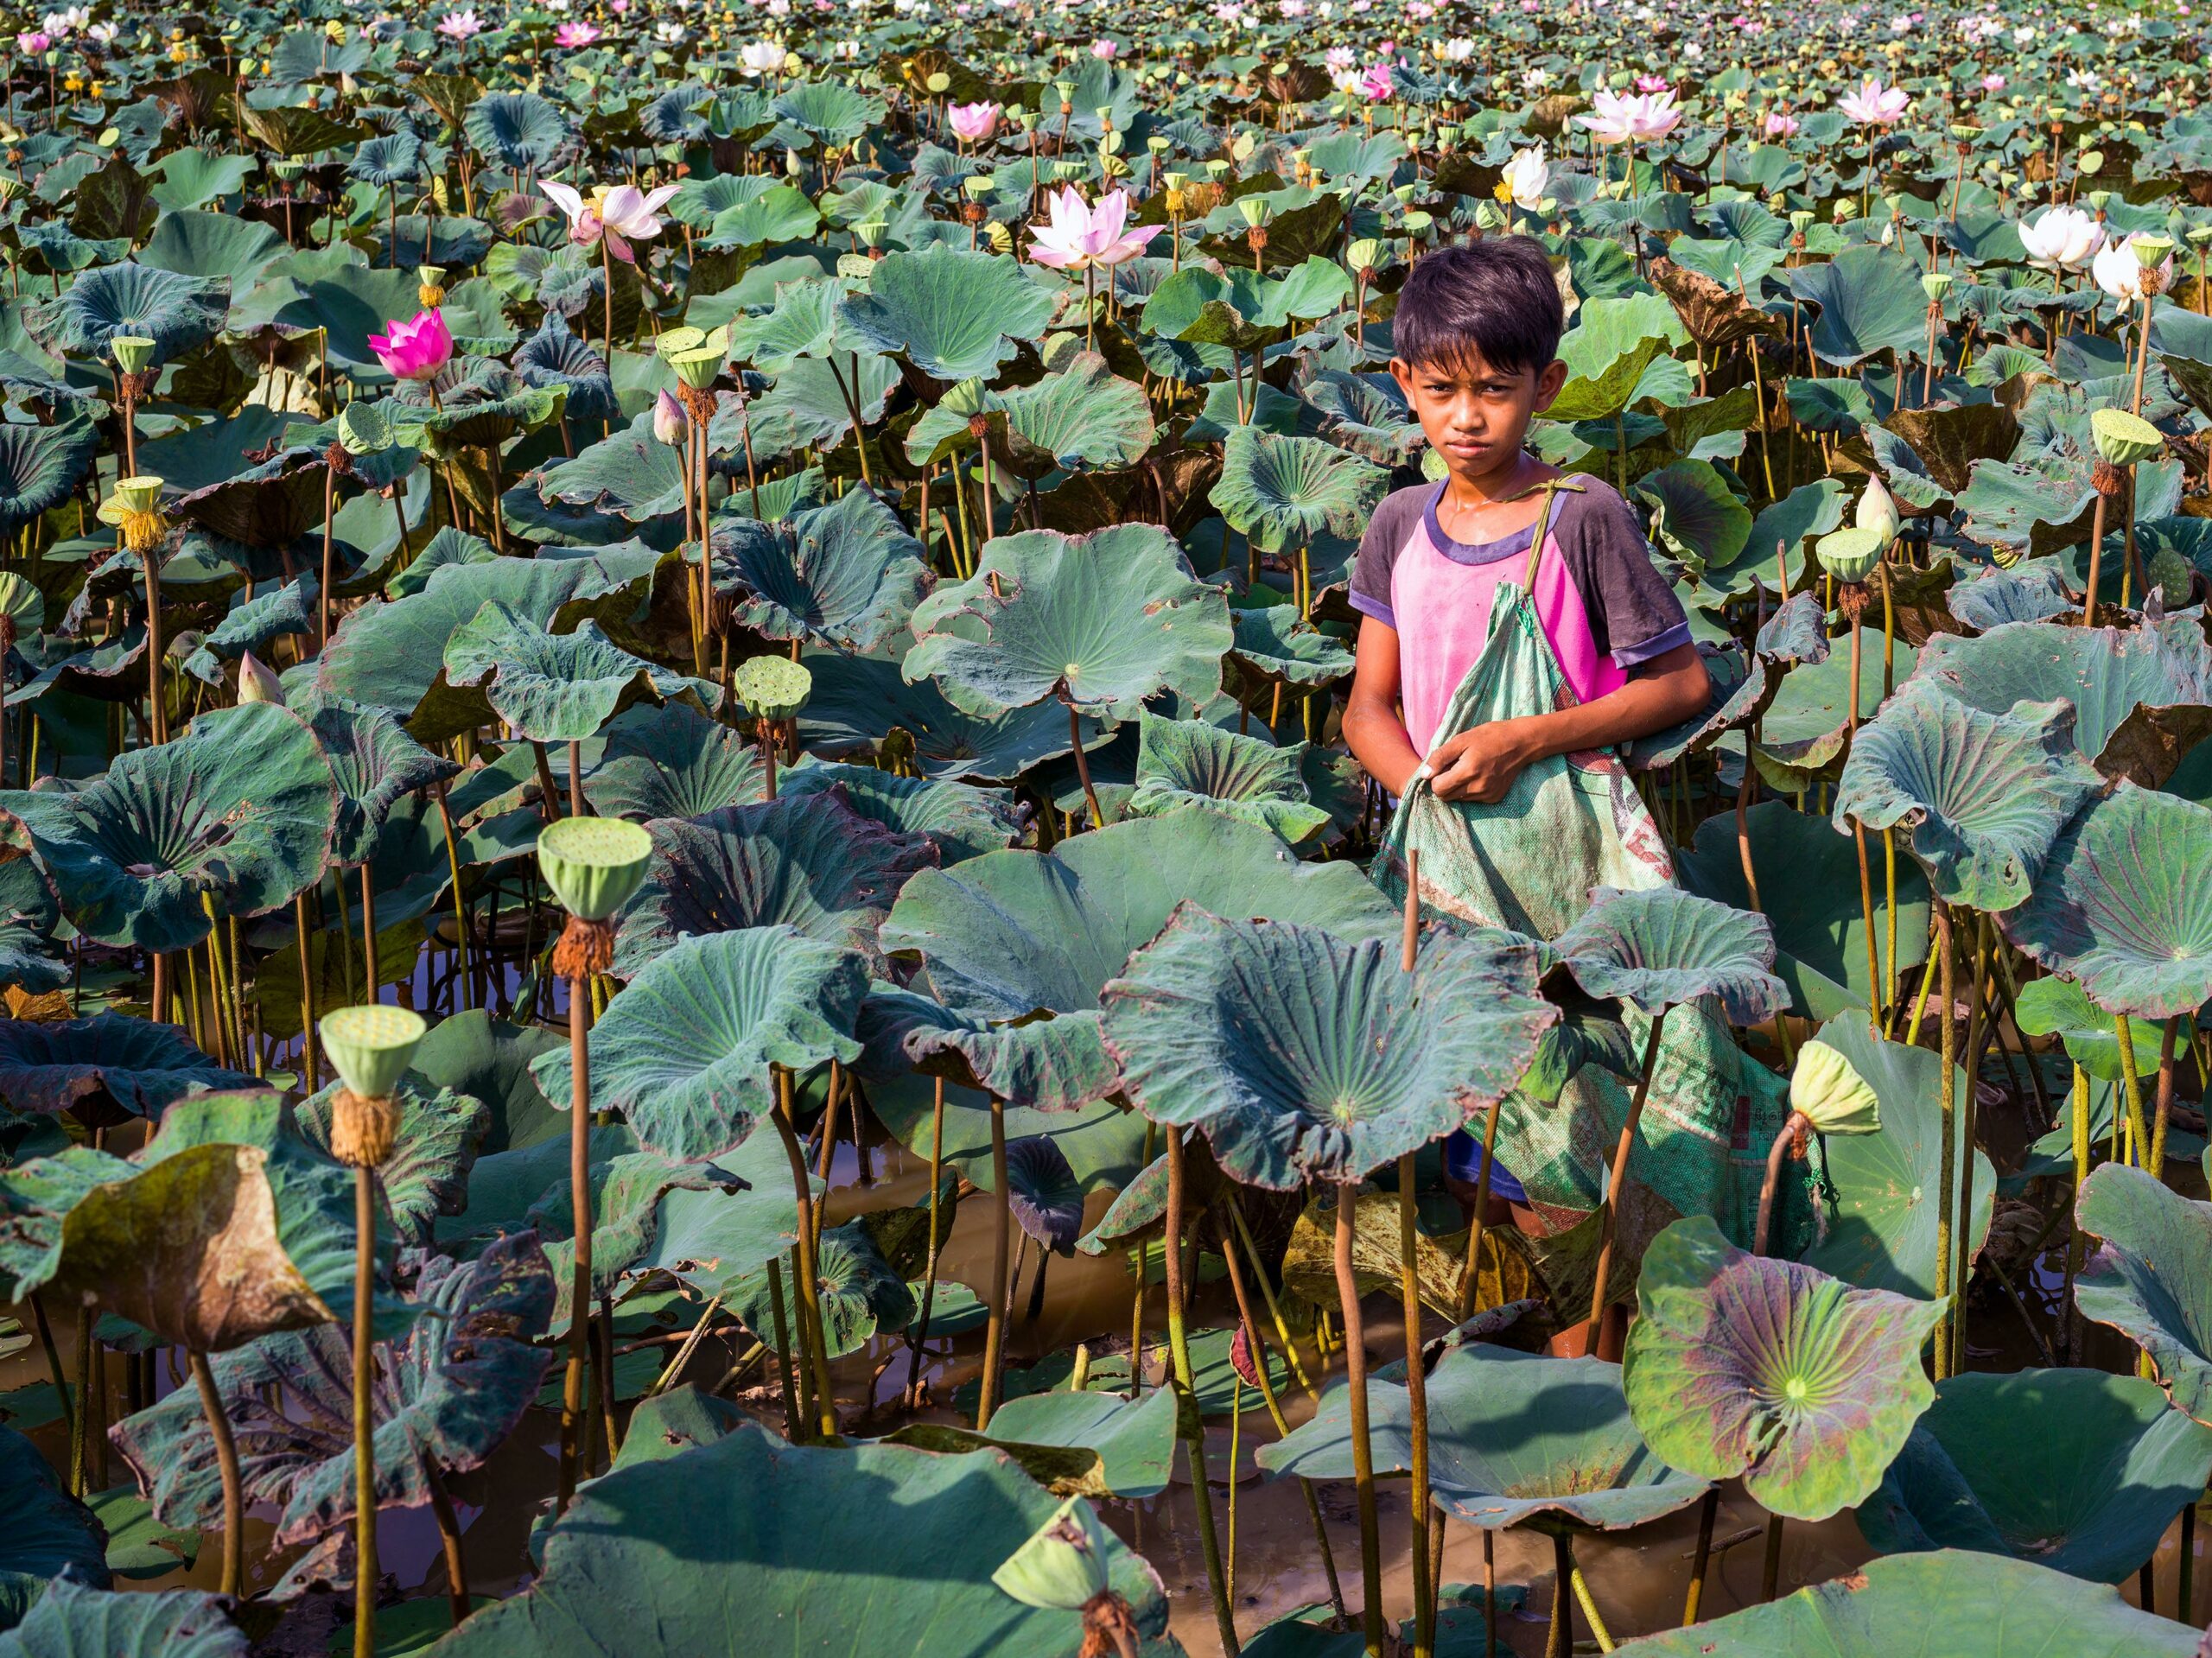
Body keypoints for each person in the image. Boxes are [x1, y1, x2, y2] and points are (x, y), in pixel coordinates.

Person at [1344, 237, 1776, 1359]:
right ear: (1404, 386)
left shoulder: (1582, 516)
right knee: (1505, 1106)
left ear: (1548, 387)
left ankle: (1642, 1336)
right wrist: (1422, 790)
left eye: (1496, 389)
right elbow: (1365, 709)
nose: (1469, 417)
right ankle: (1562, 1333)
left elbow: (1679, 683)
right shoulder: (1397, 526)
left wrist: (1528, 737)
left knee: (1638, 1099)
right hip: (1454, 860)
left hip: (1586, 859)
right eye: (1442, 391)